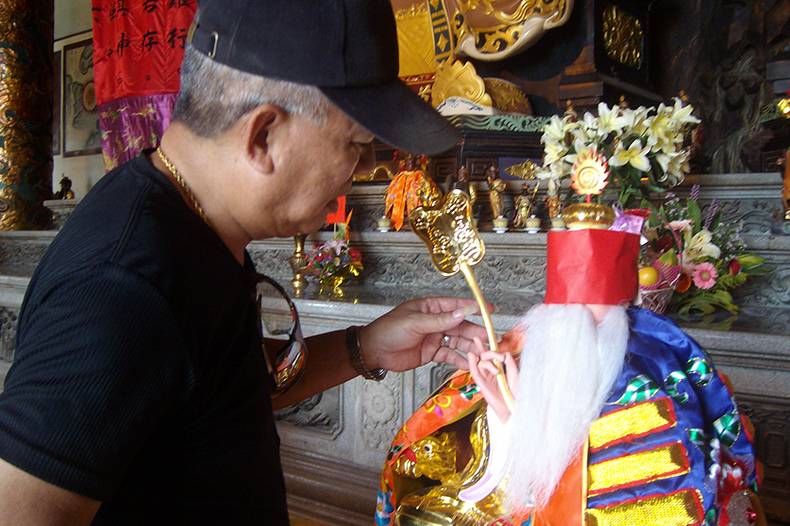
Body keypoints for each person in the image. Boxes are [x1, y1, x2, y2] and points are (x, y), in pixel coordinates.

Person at [0, 1, 484, 524]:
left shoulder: (192, 223)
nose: (365, 168)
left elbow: (216, 383)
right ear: (263, 136)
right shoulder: (121, 287)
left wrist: (365, 346)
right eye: (357, 144)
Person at [378, 212, 763, 525]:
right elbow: (516, 466)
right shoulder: (529, 351)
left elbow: (641, 490)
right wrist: (504, 415)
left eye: (588, 319)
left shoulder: (647, 382)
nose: (575, 331)